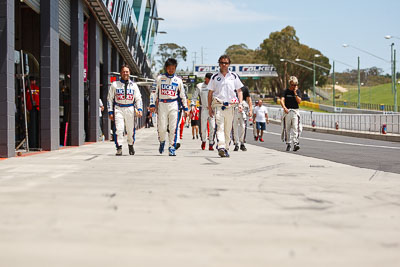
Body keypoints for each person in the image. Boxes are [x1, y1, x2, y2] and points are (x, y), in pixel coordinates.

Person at [150, 58, 189, 156]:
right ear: (166, 68)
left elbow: (182, 95)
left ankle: (172, 147)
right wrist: (152, 104)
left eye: (173, 68)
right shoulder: (159, 78)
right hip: (162, 104)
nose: (171, 70)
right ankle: (162, 141)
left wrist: (186, 108)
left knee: (173, 128)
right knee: (162, 128)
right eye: (169, 68)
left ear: (175, 68)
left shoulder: (178, 80)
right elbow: (154, 92)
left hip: (173, 105)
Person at [208, 55, 244, 158]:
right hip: (219, 106)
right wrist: (210, 108)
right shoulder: (215, 77)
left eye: (226, 63)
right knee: (220, 128)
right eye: (222, 63)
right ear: (219, 64)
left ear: (229, 64)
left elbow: (239, 91)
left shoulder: (234, 76)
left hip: (231, 107)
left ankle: (226, 148)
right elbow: (210, 93)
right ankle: (221, 147)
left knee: (228, 130)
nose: (224, 65)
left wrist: (240, 103)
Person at [107, 65, 143, 156]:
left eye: (127, 71)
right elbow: (109, 99)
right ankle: (119, 147)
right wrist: (110, 111)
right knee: (119, 129)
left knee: (130, 130)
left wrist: (139, 109)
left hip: (130, 108)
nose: (125, 73)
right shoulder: (115, 84)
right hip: (118, 108)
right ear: (120, 73)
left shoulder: (134, 85)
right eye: (123, 72)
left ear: (129, 73)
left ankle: (130, 144)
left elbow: (138, 98)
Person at [191, 72, 215, 150]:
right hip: (204, 109)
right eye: (209, 79)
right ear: (206, 78)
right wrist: (193, 105)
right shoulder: (200, 86)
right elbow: (194, 97)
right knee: (203, 127)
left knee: (212, 127)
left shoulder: (215, 86)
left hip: (213, 109)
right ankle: (204, 141)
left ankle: (211, 143)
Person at [280, 76, 302, 151]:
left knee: (296, 127)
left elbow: (299, 101)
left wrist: (295, 93)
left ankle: (295, 143)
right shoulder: (286, 91)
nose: (294, 86)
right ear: (290, 84)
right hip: (287, 111)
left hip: (295, 111)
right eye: (293, 85)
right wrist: (284, 107)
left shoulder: (298, 91)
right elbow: (282, 100)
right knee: (287, 128)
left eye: (295, 85)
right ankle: (288, 143)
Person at [232, 85, 253, 151]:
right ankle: (236, 143)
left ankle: (242, 142)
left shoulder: (244, 88)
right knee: (234, 127)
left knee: (243, 126)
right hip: (233, 108)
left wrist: (250, 110)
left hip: (243, 108)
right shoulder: (231, 87)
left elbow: (249, 100)